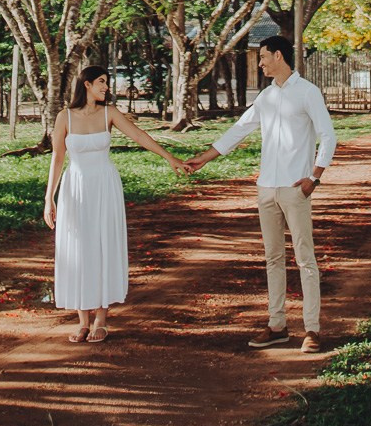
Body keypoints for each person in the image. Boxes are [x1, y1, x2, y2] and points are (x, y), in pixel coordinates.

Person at [186, 34, 336, 353]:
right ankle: (277, 325)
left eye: (264, 57)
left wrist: (314, 177)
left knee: (305, 258)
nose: (261, 63)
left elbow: (328, 136)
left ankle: (312, 329)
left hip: (296, 188)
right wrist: (204, 158)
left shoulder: (307, 92)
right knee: (273, 258)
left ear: (278, 56)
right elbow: (240, 129)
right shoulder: (266, 96)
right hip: (266, 188)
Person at [44, 63, 187, 344]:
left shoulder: (109, 113)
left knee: (102, 245)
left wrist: (170, 157)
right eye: (101, 81)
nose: (106, 87)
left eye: (106, 82)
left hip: (104, 186)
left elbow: (139, 136)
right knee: (79, 248)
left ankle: (101, 318)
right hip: (75, 187)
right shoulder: (65, 117)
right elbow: (57, 158)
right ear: (86, 84)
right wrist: (49, 197)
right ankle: (82, 321)